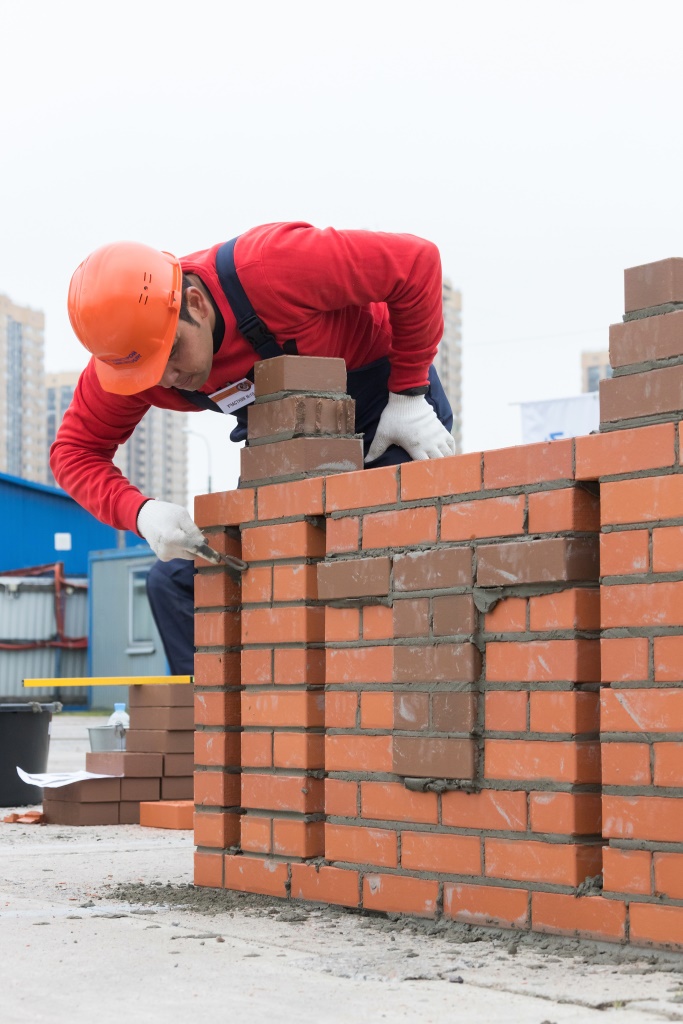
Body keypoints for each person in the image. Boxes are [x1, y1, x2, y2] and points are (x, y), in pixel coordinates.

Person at [52, 222, 456, 674]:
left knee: (373, 550)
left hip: (389, 415)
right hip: (285, 450)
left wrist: (408, 393)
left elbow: (416, 262)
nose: (166, 378)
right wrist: (140, 512)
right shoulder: (129, 354)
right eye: (148, 372)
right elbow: (73, 452)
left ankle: (388, 696)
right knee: (175, 583)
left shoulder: (271, 266)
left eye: (171, 353)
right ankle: (225, 728)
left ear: (195, 304)